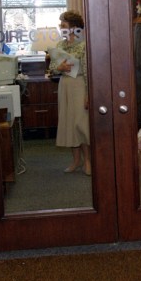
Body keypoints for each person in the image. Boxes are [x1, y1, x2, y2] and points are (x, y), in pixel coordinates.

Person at [50, 11, 91, 175]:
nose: (61, 27)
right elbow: (53, 67)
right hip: (64, 85)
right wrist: (58, 68)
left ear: (73, 28)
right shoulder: (60, 45)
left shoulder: (84, 44)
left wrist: (88, 93)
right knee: (69, 124)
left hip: (79, 85)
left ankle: (88, 160)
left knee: (81, 124)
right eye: (61, 25)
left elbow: (88, 70)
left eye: (63, 25)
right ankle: (76, 161)